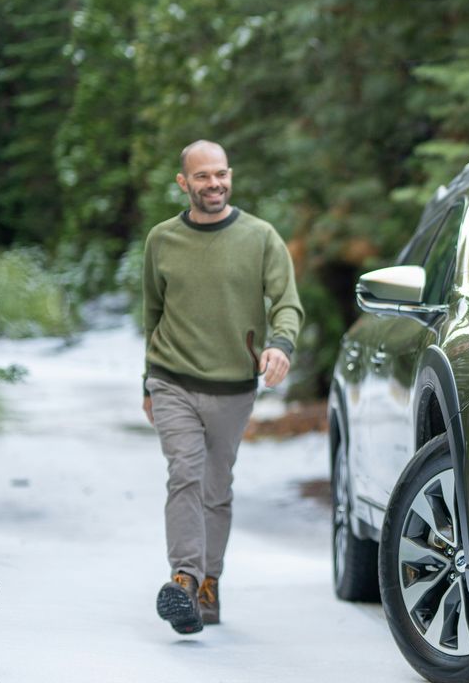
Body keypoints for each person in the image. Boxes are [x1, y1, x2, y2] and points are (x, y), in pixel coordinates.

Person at [141, 140, 303, 634]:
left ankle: (209, 585)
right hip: (171, 379)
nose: (215, 184)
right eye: (203, 176)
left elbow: (287, 303)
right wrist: (146, 383)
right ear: (183, 183)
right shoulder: (161, 240)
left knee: (216, 487)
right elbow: (152, 313)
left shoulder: (260, 237)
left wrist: (281, 346)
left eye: (222, 174)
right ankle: (185, 579)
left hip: (233, 386)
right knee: (184, 475)